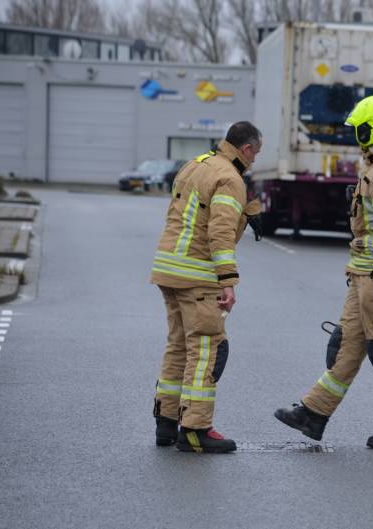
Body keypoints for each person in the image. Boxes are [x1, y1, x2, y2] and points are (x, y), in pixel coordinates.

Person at [274, 95, 373, 449]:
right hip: (366, 274)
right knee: (348, 348)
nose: (356, 134)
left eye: (359, 128)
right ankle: (314, 413)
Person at [150, 122, 263, 454]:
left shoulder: (195, 164)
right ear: (245, 148)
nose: (255, 160)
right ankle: (196, 429)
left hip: (169, 269)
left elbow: (189, 216)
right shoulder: (230, 178)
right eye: (255, 152)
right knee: (207, 350)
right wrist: (228, 281)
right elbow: (220, 233)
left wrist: (246, 211)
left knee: (177, 347)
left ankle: (166, 423)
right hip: (198, 276)